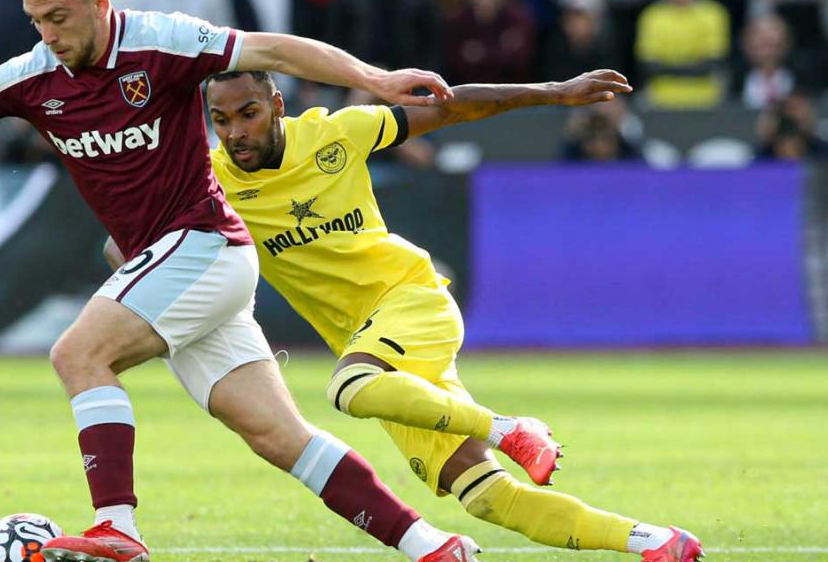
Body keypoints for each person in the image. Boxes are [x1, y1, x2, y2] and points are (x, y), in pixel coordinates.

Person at [0, 0, 480, 562]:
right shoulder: (31, 75)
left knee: (78, 354)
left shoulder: (163, 42)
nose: (48, 34)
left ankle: (115, 525)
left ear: (99, 3)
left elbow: (277, 50)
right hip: (183, 269)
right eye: (36, 20)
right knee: (279, 437)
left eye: (59, 17)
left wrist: (374, 79)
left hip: (203, 242)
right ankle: (432, 547)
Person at [183, 68, 704, 562]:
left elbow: (452, 107)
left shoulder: (336, 133)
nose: (235, 132)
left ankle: (509, 428)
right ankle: (655, 540)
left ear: (276, 105)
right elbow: (135, 240)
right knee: (486, 497)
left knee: (348, 389)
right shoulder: (213, 183)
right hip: (378, 354)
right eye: (221, 119)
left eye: (248, 113)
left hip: (411, 300)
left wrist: (554, 90)